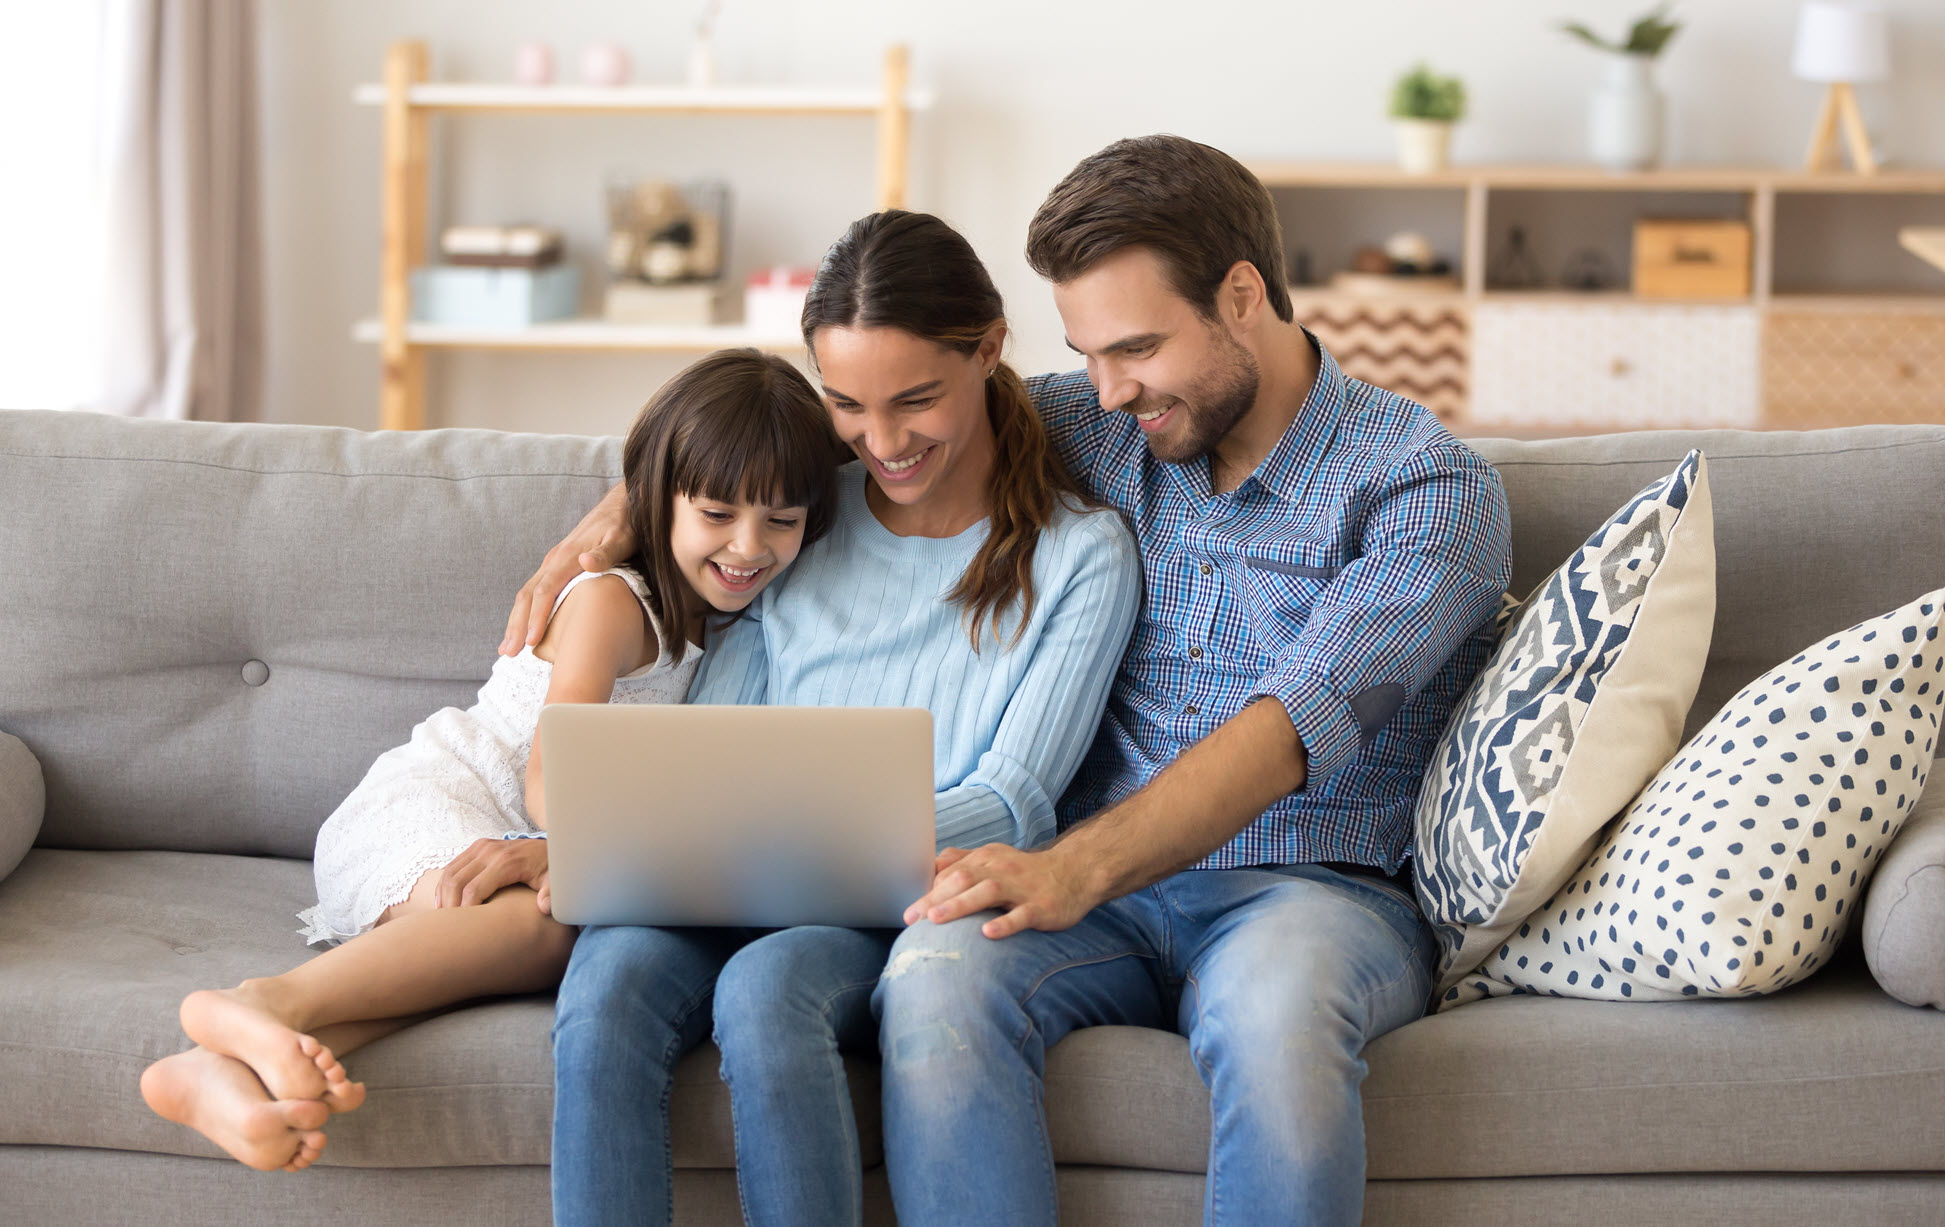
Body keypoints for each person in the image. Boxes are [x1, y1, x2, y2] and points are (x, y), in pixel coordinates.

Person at [869, 135, 1514, 1226]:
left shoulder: (1424, 491)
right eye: (1086, 351)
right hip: (1091, 894)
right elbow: (859, 443)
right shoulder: (1092, 425)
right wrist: (625, 516)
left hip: (1312, 894)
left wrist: (1072, 870)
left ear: (1242, 295)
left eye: (1136, 347)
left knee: (1275, 1015)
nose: (1109, 388)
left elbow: (1286, 731)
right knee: (929, 976)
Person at [500, 210, 1141, 1227]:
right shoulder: (803, 517)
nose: (881, 443)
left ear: (986, 351)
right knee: (606, 981)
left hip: (886, 905)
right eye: (846, 405)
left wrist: (807, 844)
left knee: (765, 992)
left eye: (916, 401)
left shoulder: (1079, 554)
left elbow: (1013, 800)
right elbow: (717, 725)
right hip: (721, 869)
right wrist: (602, 840)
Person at [139, 348, 843, 1175]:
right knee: (551, 928)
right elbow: (553, 771)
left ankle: (220, 1069)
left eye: (782, 522)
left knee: (513, 950)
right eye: (718, 514)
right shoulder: (615, 602)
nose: (748, 547)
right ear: (656, 502)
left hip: (513, 829)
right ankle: (260, 1000)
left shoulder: (722, 615)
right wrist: (582, 853)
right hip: (439, 799)